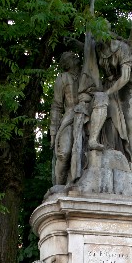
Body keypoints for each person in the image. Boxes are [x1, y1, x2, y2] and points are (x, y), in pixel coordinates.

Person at [50, 52, 81, 185]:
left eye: (74, 57)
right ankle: (59, 185)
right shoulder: (62, 78)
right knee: (64, 152)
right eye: (70, 58)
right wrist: (53, 131)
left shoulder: (87, 75)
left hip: (87, 115)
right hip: (70, 116)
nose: (75, 58)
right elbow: (56, 106)